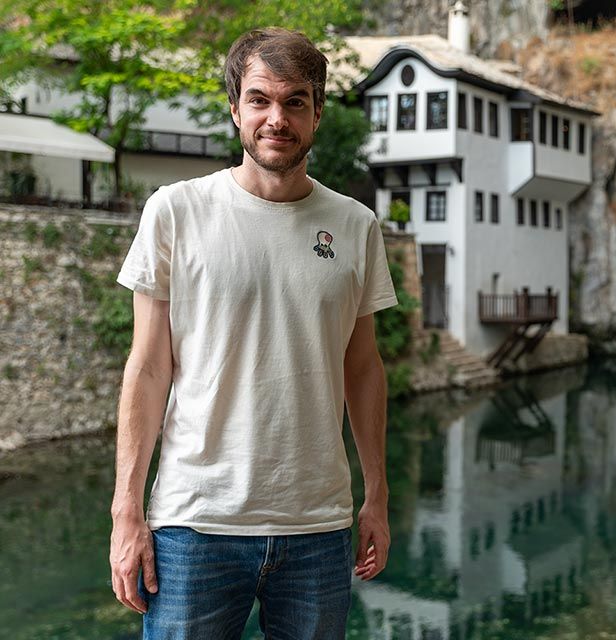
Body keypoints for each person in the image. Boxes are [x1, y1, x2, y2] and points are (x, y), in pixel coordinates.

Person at [108, 27, 398, 639]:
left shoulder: (356, 225)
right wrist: (125, 512)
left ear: (318, 113)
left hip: (318, 529)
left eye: (295, 101)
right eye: (260, 99)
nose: (277, 118)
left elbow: (364, 365)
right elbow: (148, 367)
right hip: (194, 526)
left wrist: (377, 495)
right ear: (235, 108)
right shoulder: (175, 211)